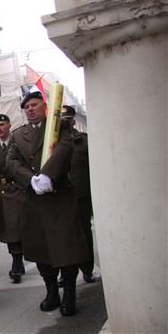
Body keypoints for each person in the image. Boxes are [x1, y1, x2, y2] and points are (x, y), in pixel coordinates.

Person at [6, 92, 89, 316]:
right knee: (40, 249)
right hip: (32, 199)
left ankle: (69, 293)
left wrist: (48, 175)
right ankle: (51, 291)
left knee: (65, 248)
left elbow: (65, 149)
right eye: (27, 107)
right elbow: (11, 161)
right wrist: (30, 179)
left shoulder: (59, 126)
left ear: (45, 106)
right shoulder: (18, 134)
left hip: (58, 196)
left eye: (34, 104)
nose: (30, 109)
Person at [0, 114, 26, 284]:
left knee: (16, 228)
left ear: (9, 125)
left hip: (17, 189)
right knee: (9, 229)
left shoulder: (18, 142)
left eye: (2, 124)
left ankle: (17, 263)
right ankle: (17, 261)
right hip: (1, 191)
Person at [62, 105, 95, 284]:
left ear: (73, 121)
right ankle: (66, 273)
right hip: (60, 198)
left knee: (84, 234)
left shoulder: (84, 141)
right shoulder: (53, 143)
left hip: (81, 196)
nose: (65, 122)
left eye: (67, 119)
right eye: (62, 119)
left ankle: (87, 269)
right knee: (63, 236)